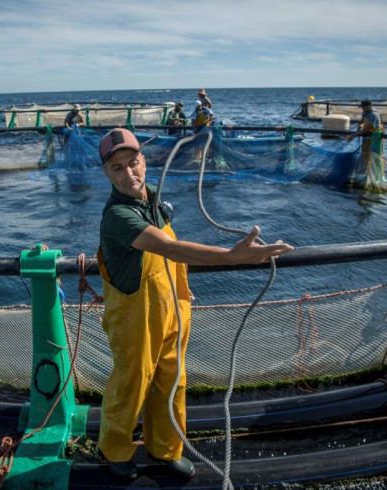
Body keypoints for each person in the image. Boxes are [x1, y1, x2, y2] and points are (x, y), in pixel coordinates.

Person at [96, 128, 293, 480]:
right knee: (131, 384)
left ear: (145, 160)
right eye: (117, 168)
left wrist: (182, 290)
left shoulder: (151, 199)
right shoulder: (117, 217)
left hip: (171, 309)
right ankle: (115, 449)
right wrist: (233, 257)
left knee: (173, 382)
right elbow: (169, 248)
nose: (129, 174)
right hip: (133, 317)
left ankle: (165, 448)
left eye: (133, 163)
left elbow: (170, 256)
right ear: (106, 174)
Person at [346, 99, 384, 178]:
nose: (362, 109)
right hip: (366, 136)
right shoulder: (364, 112)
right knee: (365, 155)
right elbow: (362, 122)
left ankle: (372, 175)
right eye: (362, 107)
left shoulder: (374, 115)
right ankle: (364, 173)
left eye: (363, 107)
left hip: (375, 137)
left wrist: (353, 135)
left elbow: (365, 129)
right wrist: (357, 129)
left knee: (372, 155)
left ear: (369, 106)